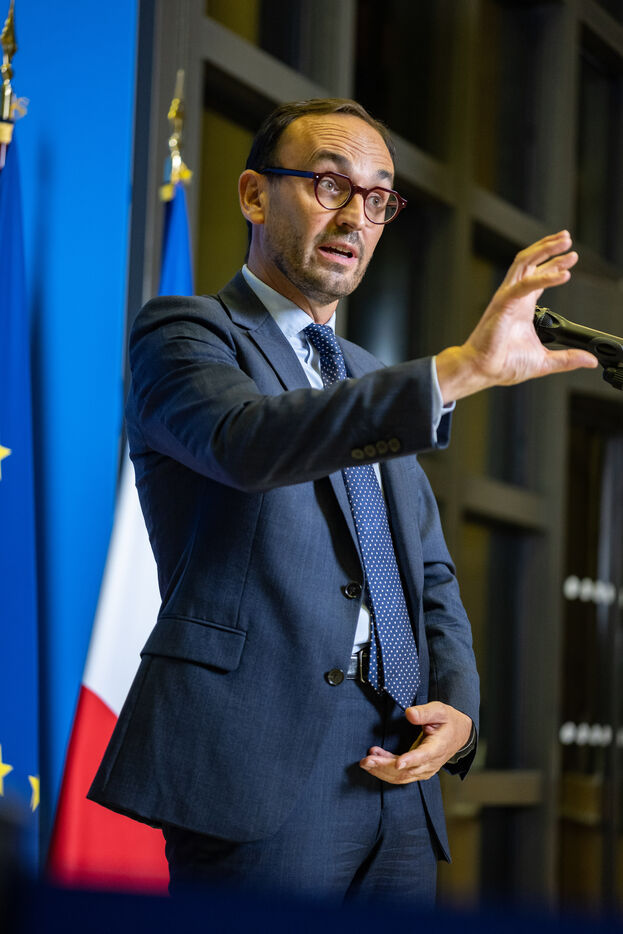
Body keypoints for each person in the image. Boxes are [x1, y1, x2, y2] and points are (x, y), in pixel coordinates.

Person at [88, 98, 597, 905]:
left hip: (398, 769)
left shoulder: (369, 375)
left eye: (377, 198)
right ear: (255, 195)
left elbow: (428, 574)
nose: (355, 215)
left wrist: (458, 708)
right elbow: (249, 442)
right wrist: (461, 369)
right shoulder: (185, 334)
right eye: (328, 184)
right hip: (253, 766)